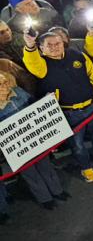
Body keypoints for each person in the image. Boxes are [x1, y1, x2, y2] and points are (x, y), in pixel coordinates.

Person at [22, 30, 93, 183]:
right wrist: (29, 46)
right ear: (41, 48)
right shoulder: (41, 66)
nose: (55, 47)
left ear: (63, 43)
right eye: (50, 45)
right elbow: (32, 61)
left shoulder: (76, 54)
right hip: (69, 112)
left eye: (58, 43)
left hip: (92, 106)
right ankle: (85, 168)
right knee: (77, 144)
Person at [0, 70, 68, 209]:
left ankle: (57, 191)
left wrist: (47, 101)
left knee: (46, 165)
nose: (5, 85)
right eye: (0, 84)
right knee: (30, 173)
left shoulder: (17, 91)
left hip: (35, 140)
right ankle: (45, 199)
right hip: (17, 147)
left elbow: (34, 105)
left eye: (5, 81)